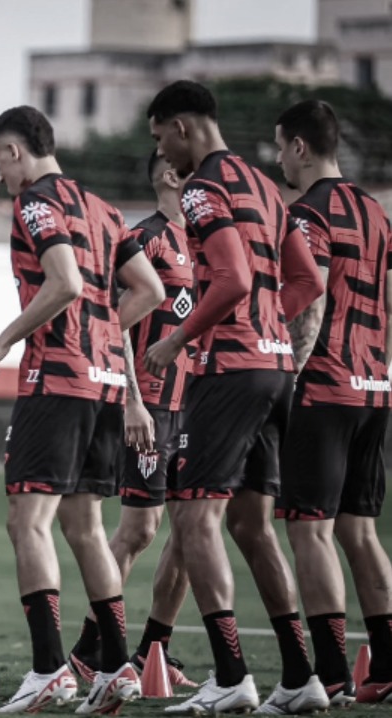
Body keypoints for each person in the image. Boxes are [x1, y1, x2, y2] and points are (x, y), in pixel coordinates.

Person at [144, 80, 328, 715]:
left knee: (195, 516)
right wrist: (270, 322)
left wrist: (177, 341)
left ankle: (230, 675)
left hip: (230, 371)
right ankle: (302, 676)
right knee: (252, 525)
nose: (162, 152)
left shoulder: (202, 188)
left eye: (161, 135)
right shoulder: (267, 186)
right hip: (276, 369)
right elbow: (305, 279)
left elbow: (232, 278)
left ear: (185, 126)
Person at [0, 105, 165, 715]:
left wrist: (5, 339)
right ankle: (114, 667)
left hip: (57, 380)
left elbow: (65, 283)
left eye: (0, 161)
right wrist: (105, 334)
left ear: (13, 152)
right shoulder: (105, 208)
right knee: (84, 529)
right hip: (109, 381)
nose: (2, 179)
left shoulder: (36, 202)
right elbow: (150, 290)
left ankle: (48, 669)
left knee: (26, 522)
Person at [274, 99, 392, 706]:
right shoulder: (376, 211)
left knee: (308, 529)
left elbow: (311, 295)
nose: (277, 159)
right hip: (375, 386)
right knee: (360, 531)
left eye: (279, 147)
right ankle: (387, 662)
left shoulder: (306, 213)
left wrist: (287, 379)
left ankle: (331, 671)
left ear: (299, 146)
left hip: (323, 385)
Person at [68, 151, 196, 691]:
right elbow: (111, 324)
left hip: (199, 406)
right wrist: (132, 400)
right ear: (170, 176)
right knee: (141, 529)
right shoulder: (145, 239)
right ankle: (88, 648)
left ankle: (155, 652)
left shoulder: (209, 242)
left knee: (194, 534)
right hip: (153, 404)